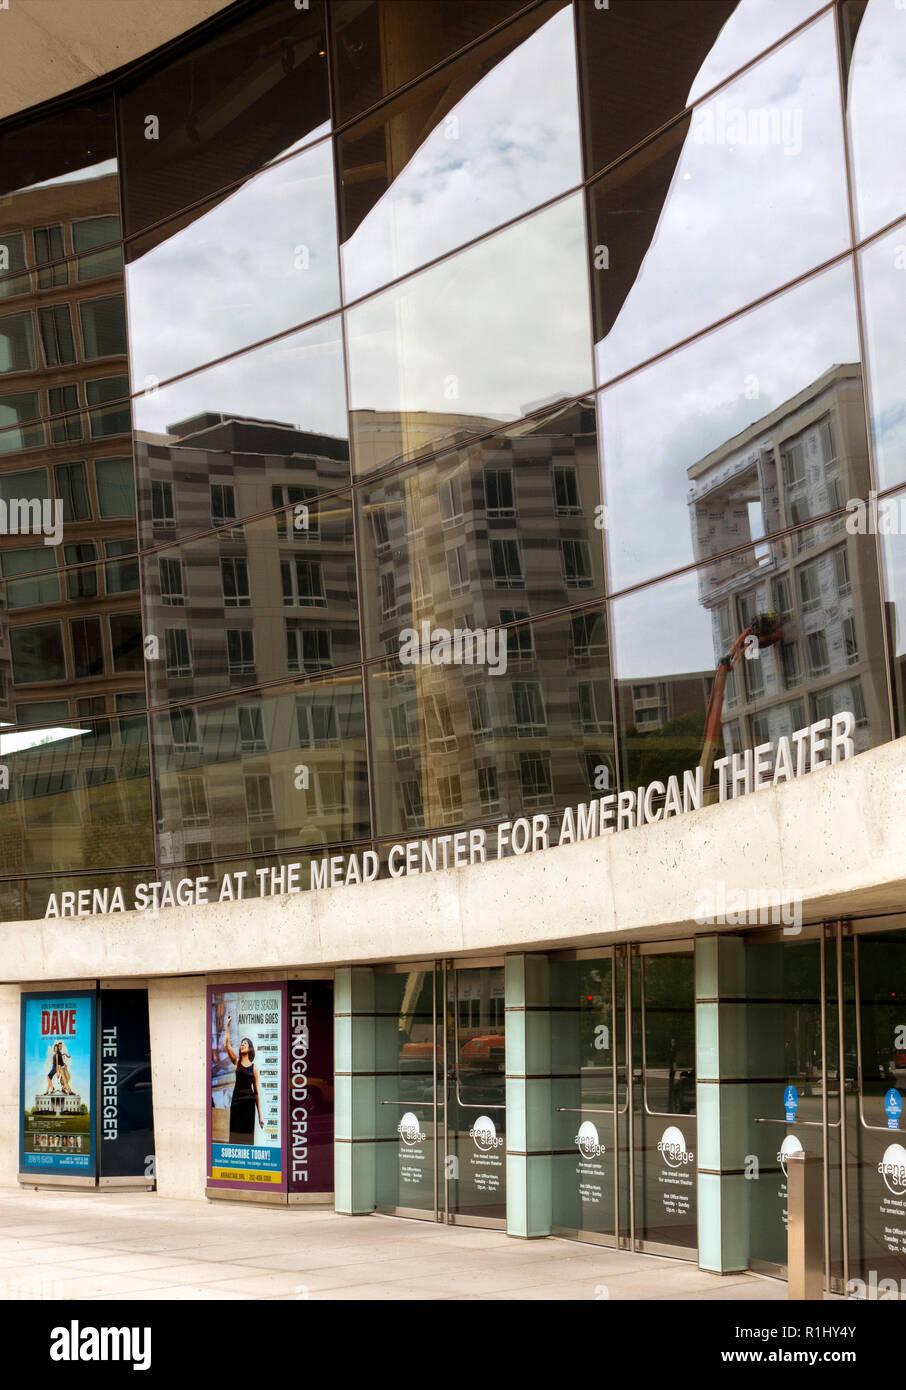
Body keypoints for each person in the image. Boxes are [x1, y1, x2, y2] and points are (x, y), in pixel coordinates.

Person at [222, 1013, 263, 1143]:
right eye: (241, 1043)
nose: (243, 1045)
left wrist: (260, 1117)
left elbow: (256, 1093)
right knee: (235, 1132)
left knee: (247, 1133)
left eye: (245, 1043)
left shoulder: (254, 1068)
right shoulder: (236, 1061)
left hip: (249, 1102)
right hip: (237, 1100)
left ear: (250, 1048)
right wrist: (227, 1025)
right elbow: (227, 1046)